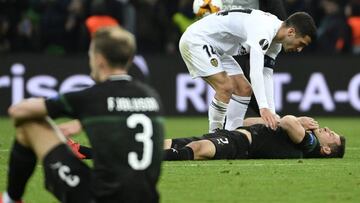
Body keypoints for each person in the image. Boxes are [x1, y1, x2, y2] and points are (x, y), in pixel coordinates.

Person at [1, 27, 165, 203]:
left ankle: (10, 199)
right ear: (129, 59)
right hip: (148, 199)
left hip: (99, 199)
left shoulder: (90, 97)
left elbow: (17, 111)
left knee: (29, 123)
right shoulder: (151, 96)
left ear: (100, 60)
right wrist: (82, 121)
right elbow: (120, 113)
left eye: (91, 55)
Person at [179, 8, 317, 133]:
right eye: (301, 44)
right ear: (291, 32)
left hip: (218, 49)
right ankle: (214, 135)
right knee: (225, 87)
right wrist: (263, 108)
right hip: (197, 40)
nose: (299, 49)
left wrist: (272, 113)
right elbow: (255, 71)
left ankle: (232, 135)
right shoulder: (265, 29)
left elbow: (266, 74)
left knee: (244, 89)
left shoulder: (276, 43)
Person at [163, 115, 346, 161]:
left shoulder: (310, 145)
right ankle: (141, 151)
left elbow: (289, 122)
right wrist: (277, 121)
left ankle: (155, 158)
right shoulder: (296, 136)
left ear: (327, 149)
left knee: (198, 148)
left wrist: (296, 120)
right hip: (232, 135)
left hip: (240, 144)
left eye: (331, 135)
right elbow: (247, 121)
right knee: (172, 142)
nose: (328, 129)